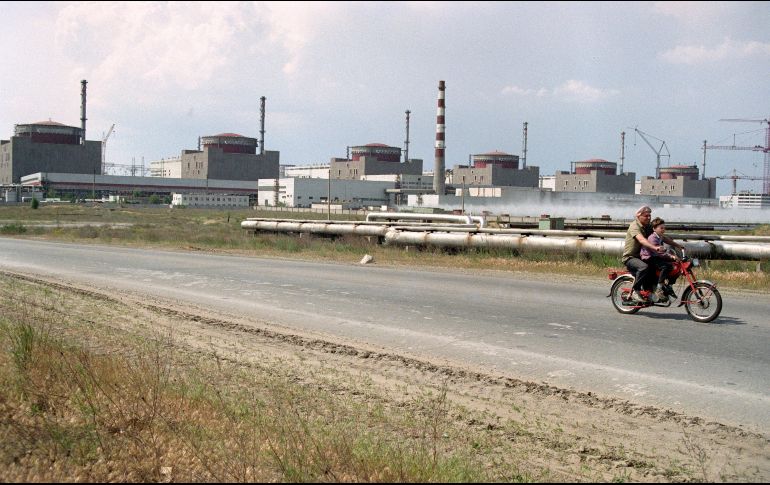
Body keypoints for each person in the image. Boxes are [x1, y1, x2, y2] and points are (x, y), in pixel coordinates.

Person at [621, 206, 682, 303]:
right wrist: (655, 248)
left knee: (664, 265)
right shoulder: (634, 226)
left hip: (643, 256)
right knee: (644, 267)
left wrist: (677, 245)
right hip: (631, 257)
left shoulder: (648, 226)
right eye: (646, 216)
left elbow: (662, 236)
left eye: (650, 215)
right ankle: (635, 291)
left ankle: (655, 289)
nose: (649, 218)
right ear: (639, 216)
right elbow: (642, 240)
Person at [641, 217, 679, 302]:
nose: (663, 230)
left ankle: (668, 285)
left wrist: (678, 246)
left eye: (664, 228)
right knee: (666, 266)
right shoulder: (653, 237)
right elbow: (659, 253)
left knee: (675, 266)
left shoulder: (660, 236)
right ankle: (659, 288)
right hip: (648, 257)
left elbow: (668, 242)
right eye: (661, 228)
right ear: (654, 228)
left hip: (655, 256)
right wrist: (671, 256)